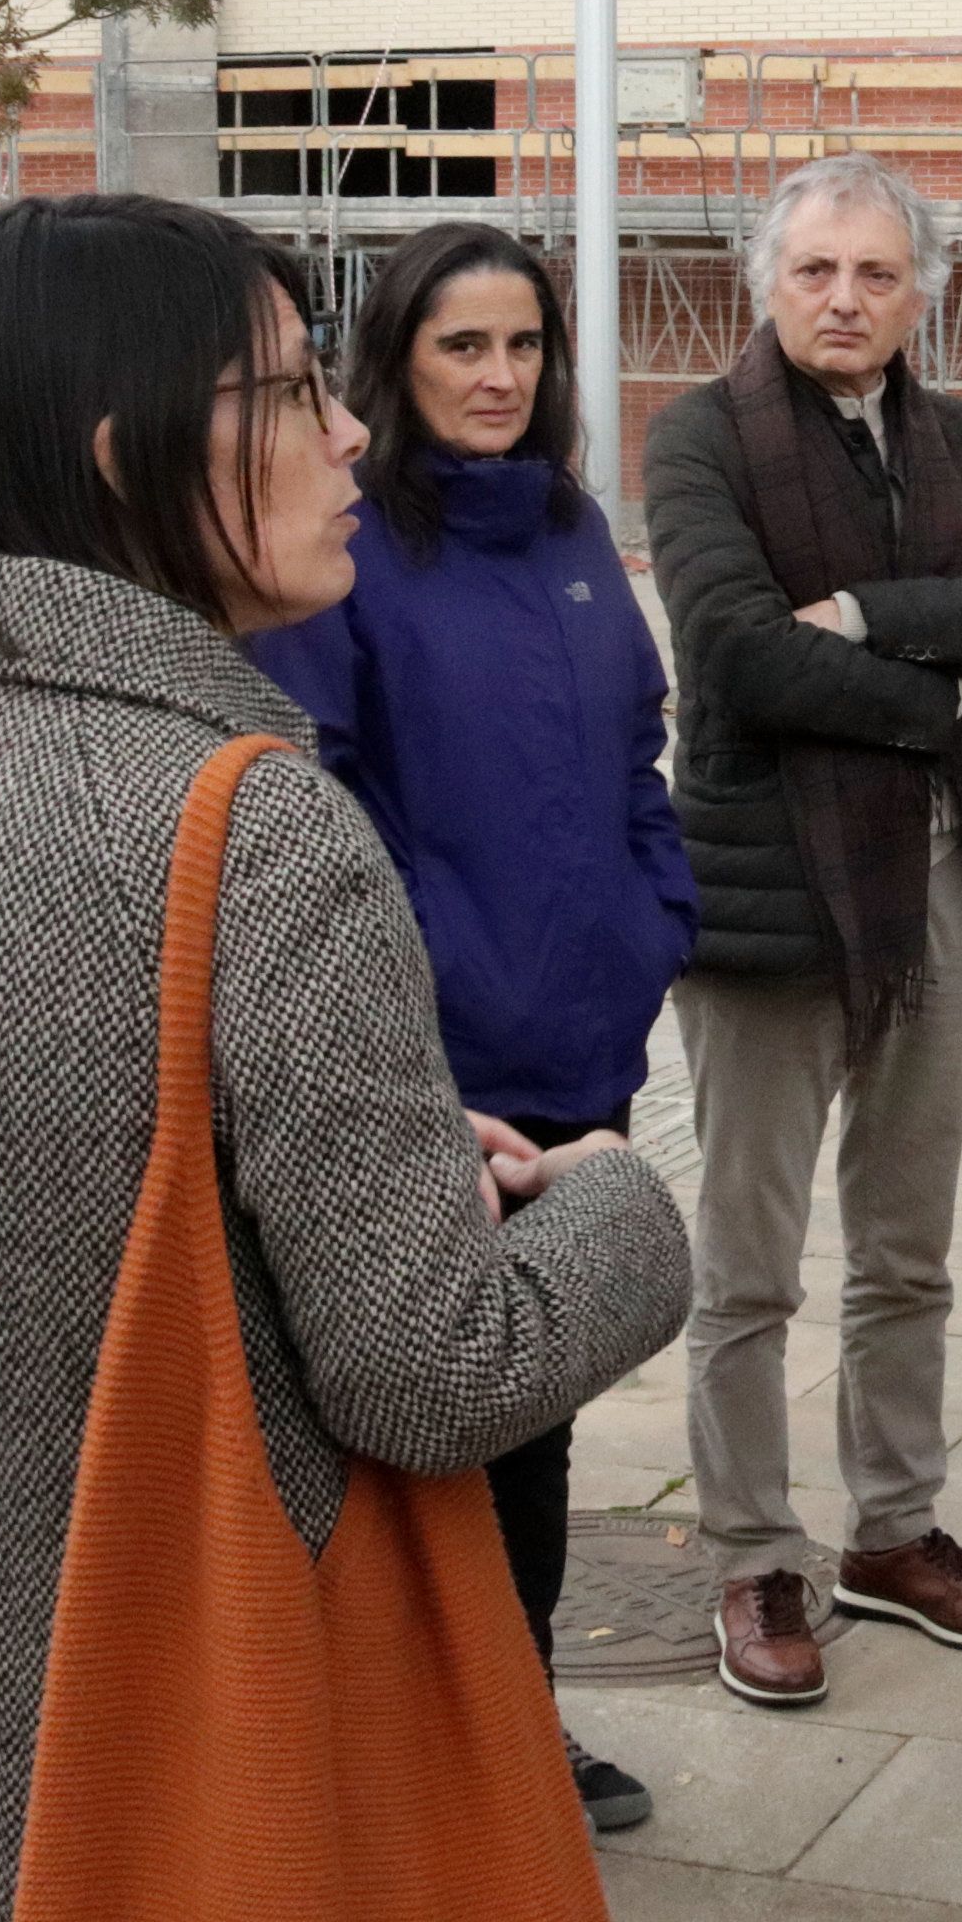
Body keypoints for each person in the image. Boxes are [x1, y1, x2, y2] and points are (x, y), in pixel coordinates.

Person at [0, 195, 692, 1922]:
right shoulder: (250, 822)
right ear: (131, 454)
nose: (348, 432)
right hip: (196, 1735)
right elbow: (435, 1368)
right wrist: (614, 1208)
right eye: (289, 391)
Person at [247, 223, 696, 1837]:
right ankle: (404, 1751)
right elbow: (315, 794)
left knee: (538, 1412)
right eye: (462, 346)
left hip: (582, 1046)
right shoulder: (350, 538)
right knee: (415, 1417)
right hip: (423, 1067)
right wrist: (415, 990)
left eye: (522, 344)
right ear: (397, 360)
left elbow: (634, 751)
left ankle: (515, 1723)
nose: (498, 375)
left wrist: (650, 923)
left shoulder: (570, 526)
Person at [646, 155, 962, 1707]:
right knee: (747, 1265)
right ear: (767, 281)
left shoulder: (956, 436)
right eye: (817, 270)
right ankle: (752, 1554)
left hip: (938, 885)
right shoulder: (700, 437)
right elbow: (736, 655)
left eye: (877, 274)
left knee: (906, 1249)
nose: (845, 299)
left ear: (920, 296)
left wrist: (866, 615)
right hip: (769, 899)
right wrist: (950, 677)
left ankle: (893, 1532)